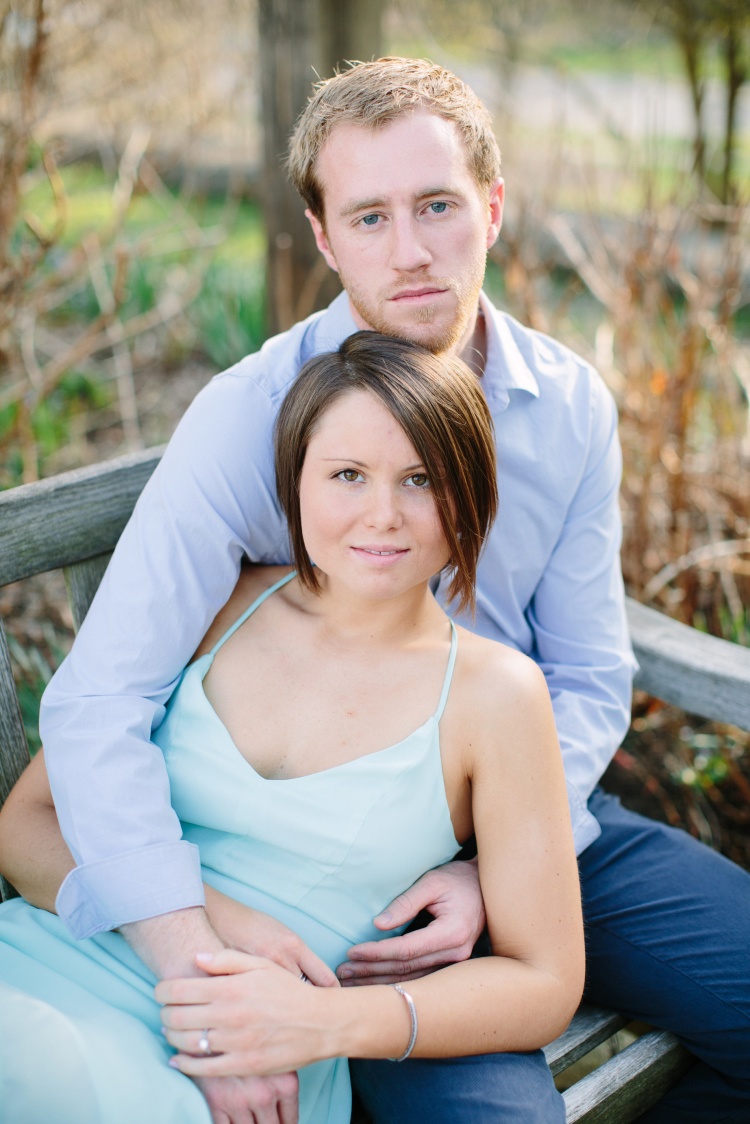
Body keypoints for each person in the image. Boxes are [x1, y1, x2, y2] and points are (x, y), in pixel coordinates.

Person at [8, 56, 750, 1123]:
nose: (410, 252)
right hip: (330, 875)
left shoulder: (567, 404)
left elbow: (589, 669)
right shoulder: (248, 417)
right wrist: (196, 953)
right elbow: (98, 703)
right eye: (368, 217)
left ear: (493, 207)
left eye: (439, 206)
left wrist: (499, 863)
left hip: (531, 809)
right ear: (322, 237)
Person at [0, 332, 584, 1124]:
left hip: (261, 1044)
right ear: (296, 483)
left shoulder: (496, 696)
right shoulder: (224, 607)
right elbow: (27, 823)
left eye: (421, 479)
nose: (383, 515)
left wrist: (329, 1023)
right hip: (50, 958)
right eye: (347, 475)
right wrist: (213, 925)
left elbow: (546, 980)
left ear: (471, 494)